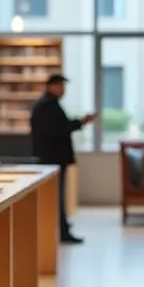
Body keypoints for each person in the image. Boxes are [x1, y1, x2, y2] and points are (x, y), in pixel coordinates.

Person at [30, 74, 96, 244]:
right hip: (52, 158)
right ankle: (62, 231)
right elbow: (59, 130)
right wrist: (80, 122)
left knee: (58, 196)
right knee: (56, 196)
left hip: (53, 157)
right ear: (51, 86)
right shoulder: (47, 106)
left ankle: (62, 227)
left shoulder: (49, 105)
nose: (63, 90)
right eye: (60, 86)